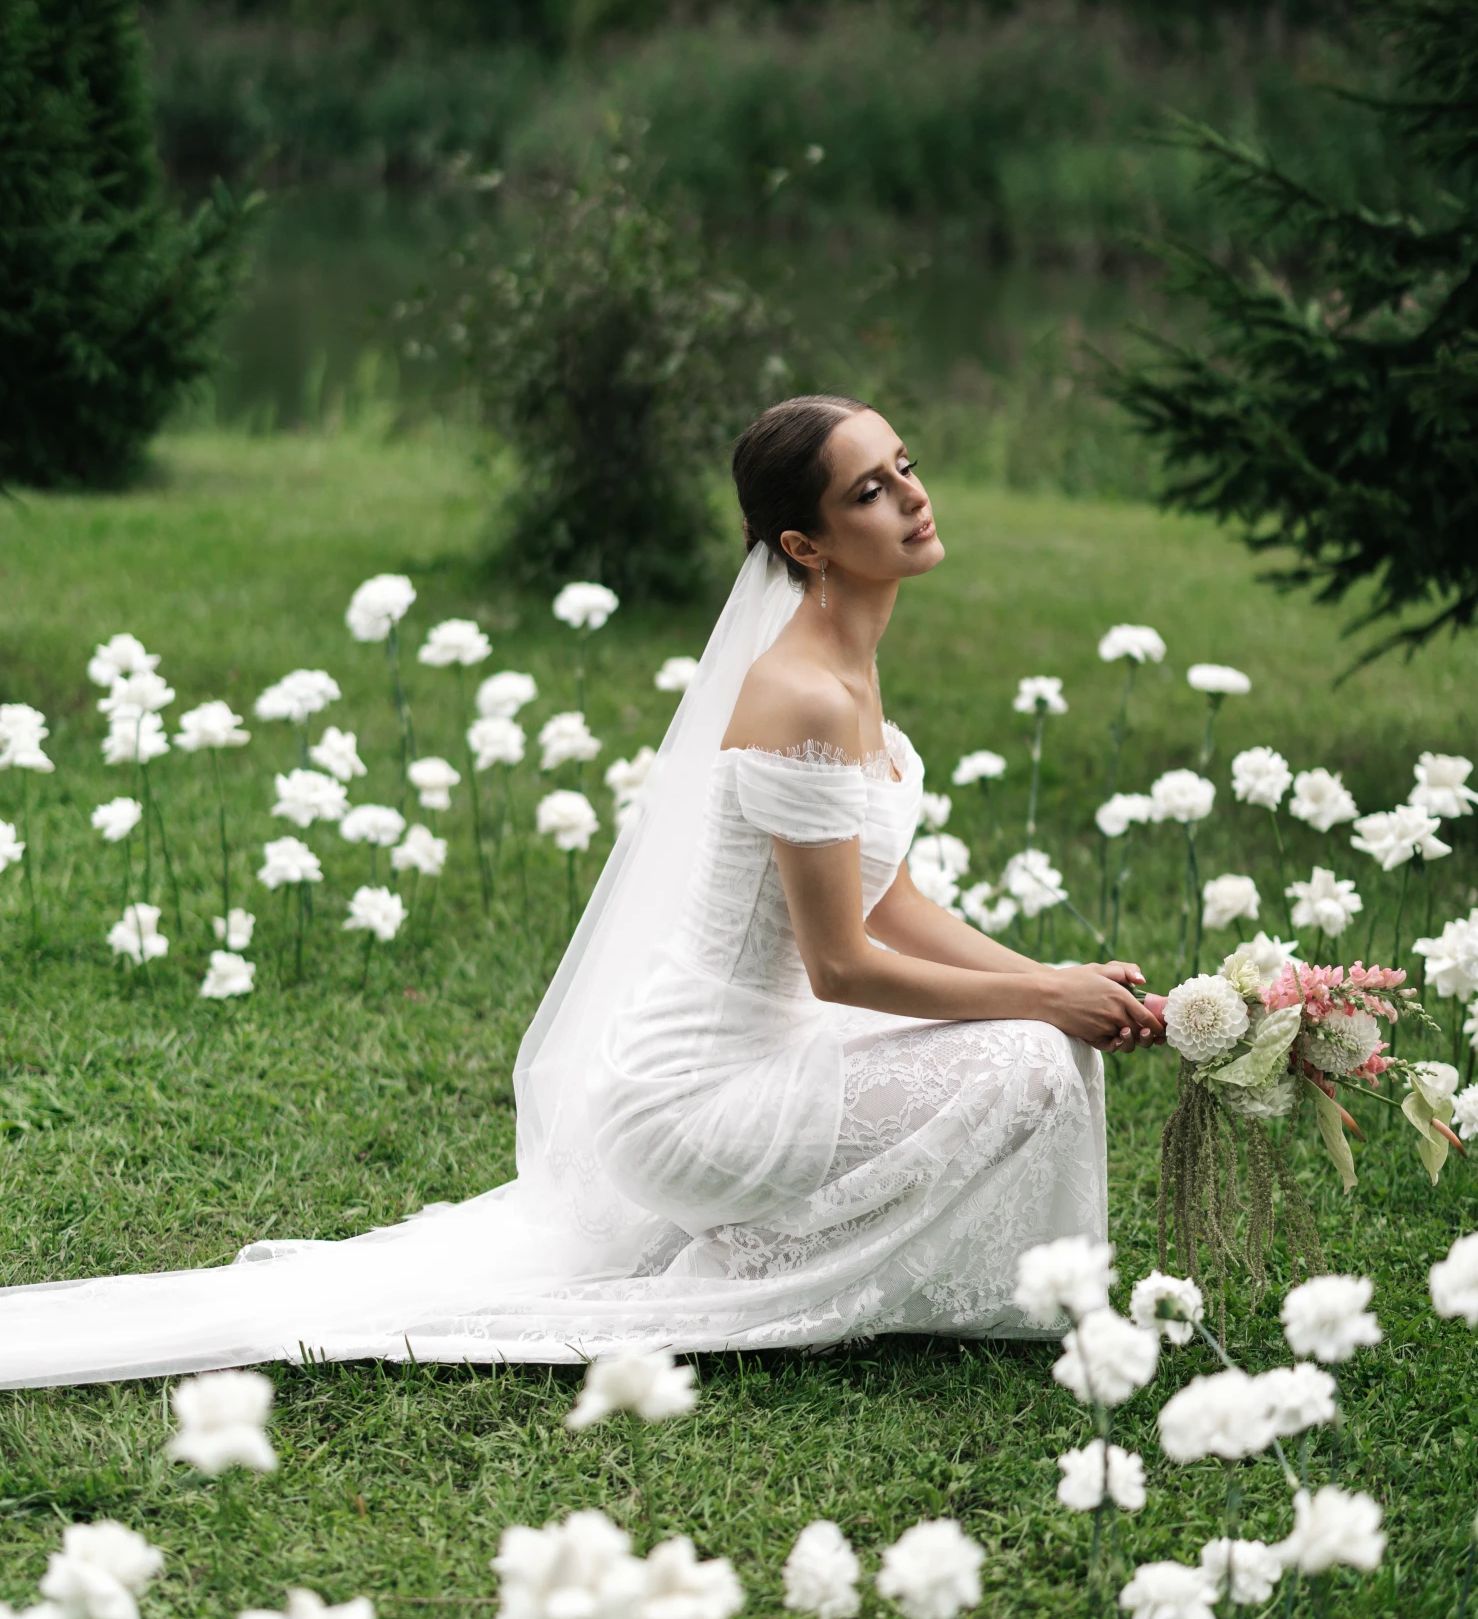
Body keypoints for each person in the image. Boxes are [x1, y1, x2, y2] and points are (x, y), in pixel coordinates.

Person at [0, 395, 1160, 1389]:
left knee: (1045, 1040)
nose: (910, 496)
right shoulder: (802, 693)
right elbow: (841, 964)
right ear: (805, 545)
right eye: (869, 490)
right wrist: (1038, 1003)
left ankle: (800, 1241)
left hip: (774, 1048)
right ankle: (760, 1265)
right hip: (692, 1096)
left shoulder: (851, 671)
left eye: (902, 466)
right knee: (1025, 1056)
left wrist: (1054, 979)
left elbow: (893, 906)